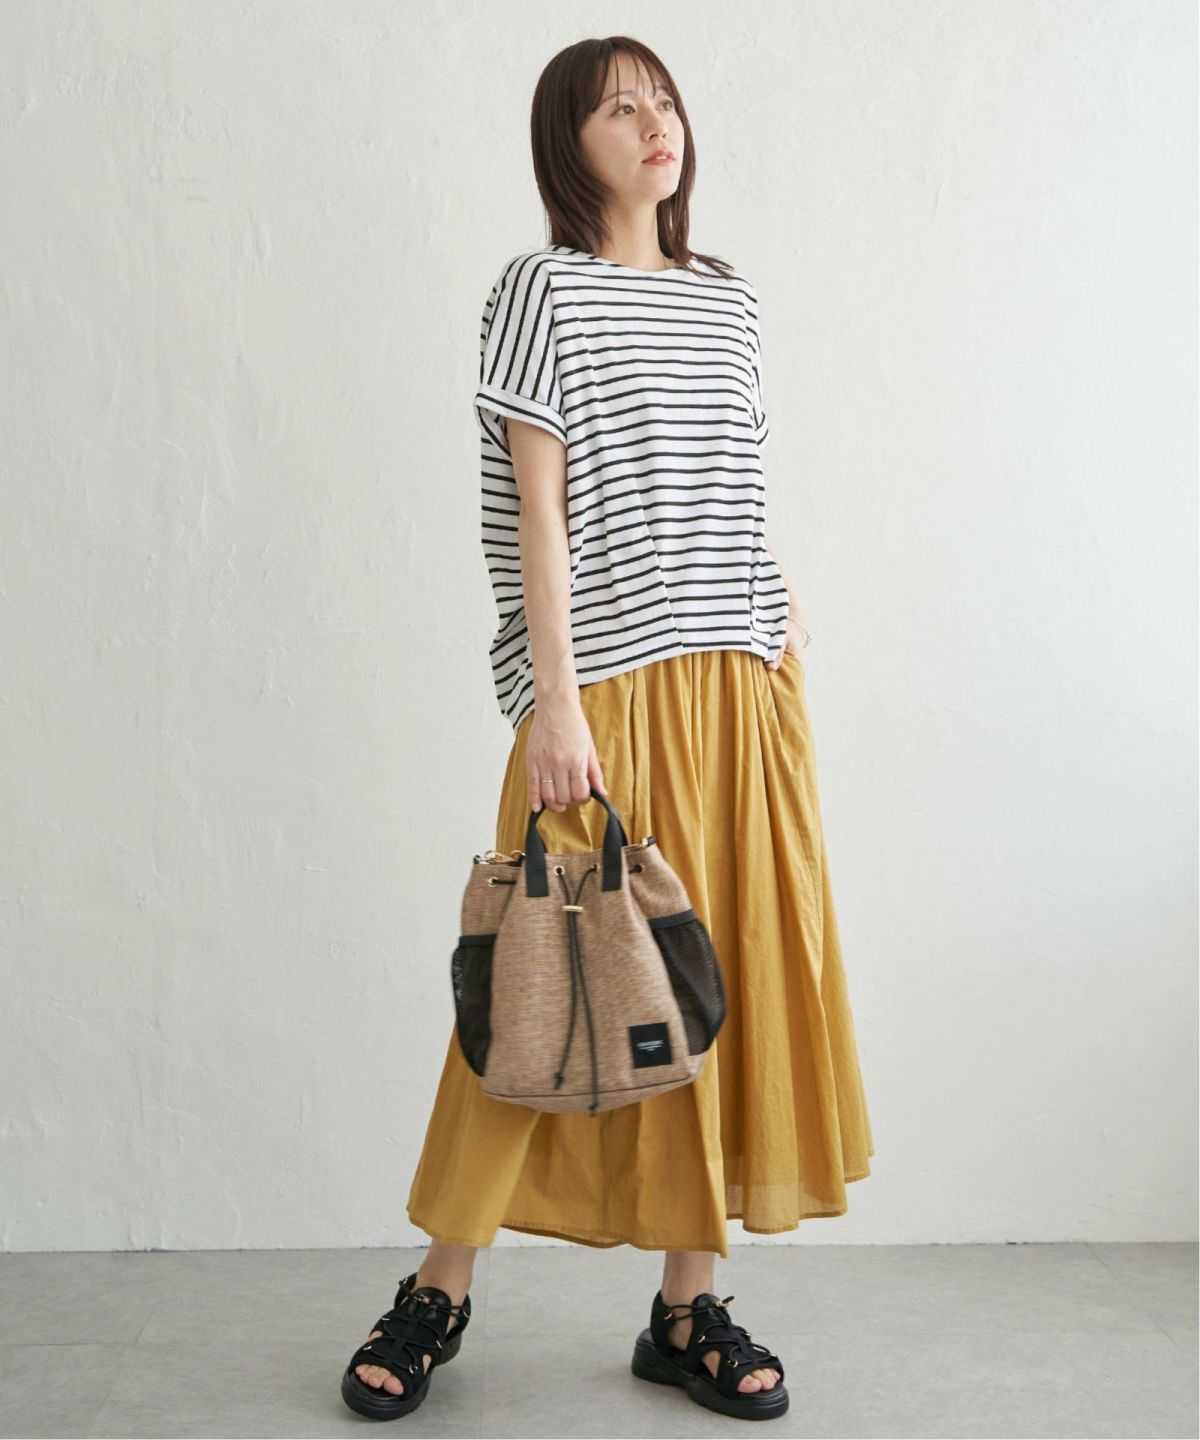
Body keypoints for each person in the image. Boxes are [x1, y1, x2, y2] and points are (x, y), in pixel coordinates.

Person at [340, 34, 874, 1425]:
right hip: (612, 691)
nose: (654, 123)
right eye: (617, 107)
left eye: (664, 100)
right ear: (566, 145)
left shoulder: (727, 298)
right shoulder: (543, 292)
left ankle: (687, 1309)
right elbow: (541, 517)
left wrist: (779, 603)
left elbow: (731, 476)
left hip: (742, 681)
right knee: (544, 977)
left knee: (717, 976)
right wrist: (554, 701)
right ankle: (438, 1291)